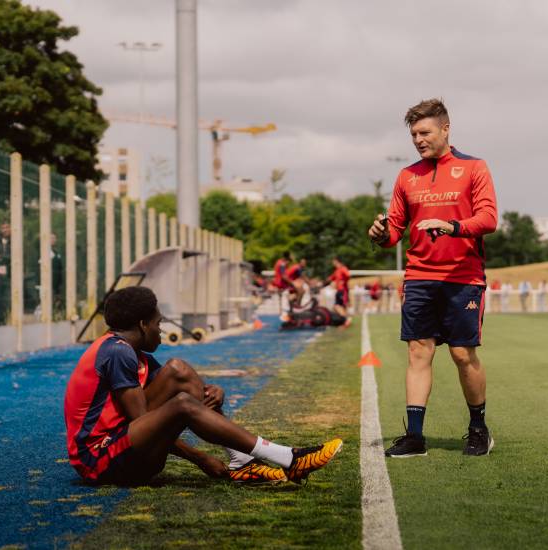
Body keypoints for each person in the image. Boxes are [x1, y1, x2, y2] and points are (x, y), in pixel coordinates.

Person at [63, 286, 342, 485]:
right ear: (142, 324)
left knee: (178, 371)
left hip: (122, 451)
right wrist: (199, 458)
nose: (161, 329)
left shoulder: (135, 355)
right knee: (182, 403)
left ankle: (242, 462)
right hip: (98, 460)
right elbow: (146, 423)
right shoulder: (117, 352)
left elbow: (161, 411)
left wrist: (212, 392)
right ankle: (288, 458)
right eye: (159, 322)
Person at [368, 98, 497, 457]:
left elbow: (488, 219)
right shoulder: (407, 176)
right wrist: (380, 233)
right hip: (419, 276)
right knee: (418, 352)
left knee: (461, 354)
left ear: (445, 129)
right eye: (413, 134)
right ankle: (415, 437)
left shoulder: (474, 167)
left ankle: (478, 429)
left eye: (424, 132)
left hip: (463, 277)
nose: (418, 140)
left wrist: (452, 226)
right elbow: (394, 228)